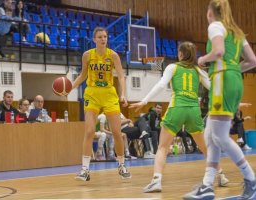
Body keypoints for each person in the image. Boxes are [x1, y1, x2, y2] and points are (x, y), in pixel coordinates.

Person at [129, 41, 229, 193]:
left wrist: (144, 100)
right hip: (193, 111)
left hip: (177, 108)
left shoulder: (172, 67)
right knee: (204, 147)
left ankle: (156, 180)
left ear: (180, 54)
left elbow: (161, 85)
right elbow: (214, 88)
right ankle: (221, 175)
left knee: (162, 147)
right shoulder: (198, 70)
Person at [183, 0, 256, 199]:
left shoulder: (215, 25)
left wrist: (202, 59)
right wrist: (232, 70)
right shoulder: (237, 32)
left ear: (210, 12)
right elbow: (252, 61)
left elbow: (218, 52)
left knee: (220, 137)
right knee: (210, 136)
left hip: (222, 82)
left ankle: (251, 179)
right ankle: (207, 186)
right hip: (233, 79)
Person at [71, 26, 131, 181]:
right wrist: (70, 87)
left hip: (110, 95)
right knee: (90, 131)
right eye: (100, 37)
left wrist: (123, 94)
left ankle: (121, 165)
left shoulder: (113, 56)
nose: (103, 39)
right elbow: (83, 75)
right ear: (94, 39)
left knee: (117, 132)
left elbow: (121, 77)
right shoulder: (87, 55)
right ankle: (85, 170)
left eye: (105, 36)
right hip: (92, 94)